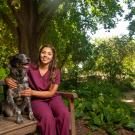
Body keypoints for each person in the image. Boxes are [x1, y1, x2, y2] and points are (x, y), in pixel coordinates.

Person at [5, 44, 70, 135]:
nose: (45, 55)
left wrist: (32, 92)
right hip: (37, 101)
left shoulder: (56, 71)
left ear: (53, 57)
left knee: (65, 114)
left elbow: (51, 93)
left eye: (49, 54)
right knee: (47, 118)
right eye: (43, 52)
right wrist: (7, 79)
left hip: (53, 99)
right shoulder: (30, 68)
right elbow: (15, 72)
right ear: (40, 54)